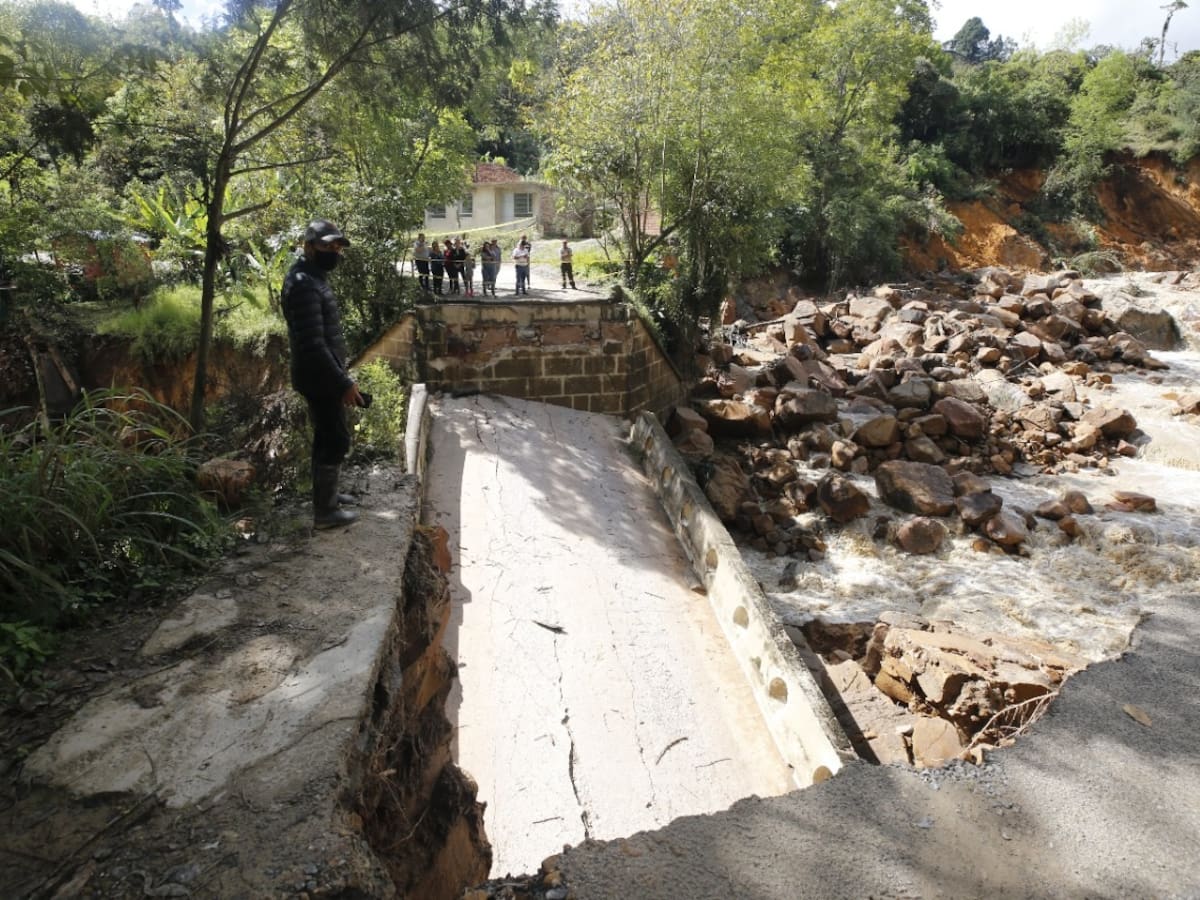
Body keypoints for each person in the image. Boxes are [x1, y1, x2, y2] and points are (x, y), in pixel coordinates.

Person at [280, 219, 363, 530]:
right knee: (336, 440)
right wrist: (342, 382)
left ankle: (328, 497)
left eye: (338, 246)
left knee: (326, 436)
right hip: (319, 375)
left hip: (322, 373)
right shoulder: (303, 282)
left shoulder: (313, 277)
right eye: (328, 245)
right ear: (309, 246)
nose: (335, 251)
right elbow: (313, 343)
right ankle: (325, 513)